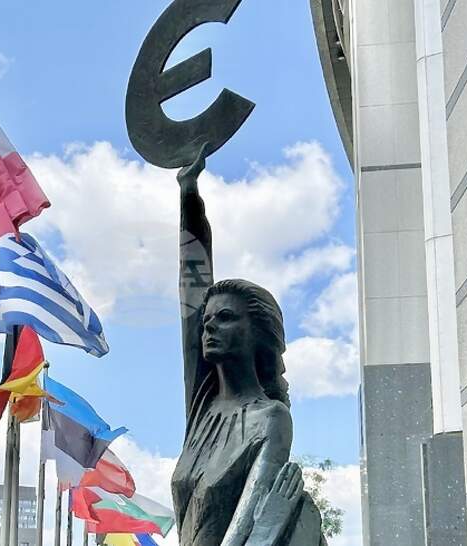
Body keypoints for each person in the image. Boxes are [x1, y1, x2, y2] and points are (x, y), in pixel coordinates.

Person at [171, 146, 325, 546]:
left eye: (225, 317)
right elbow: (192, 292)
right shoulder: (203, 407)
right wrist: (189, 197)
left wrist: (271, 519)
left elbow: (244, 532)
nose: (209, 326)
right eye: (207, 320)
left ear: (258, 333)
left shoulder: (270, 419)